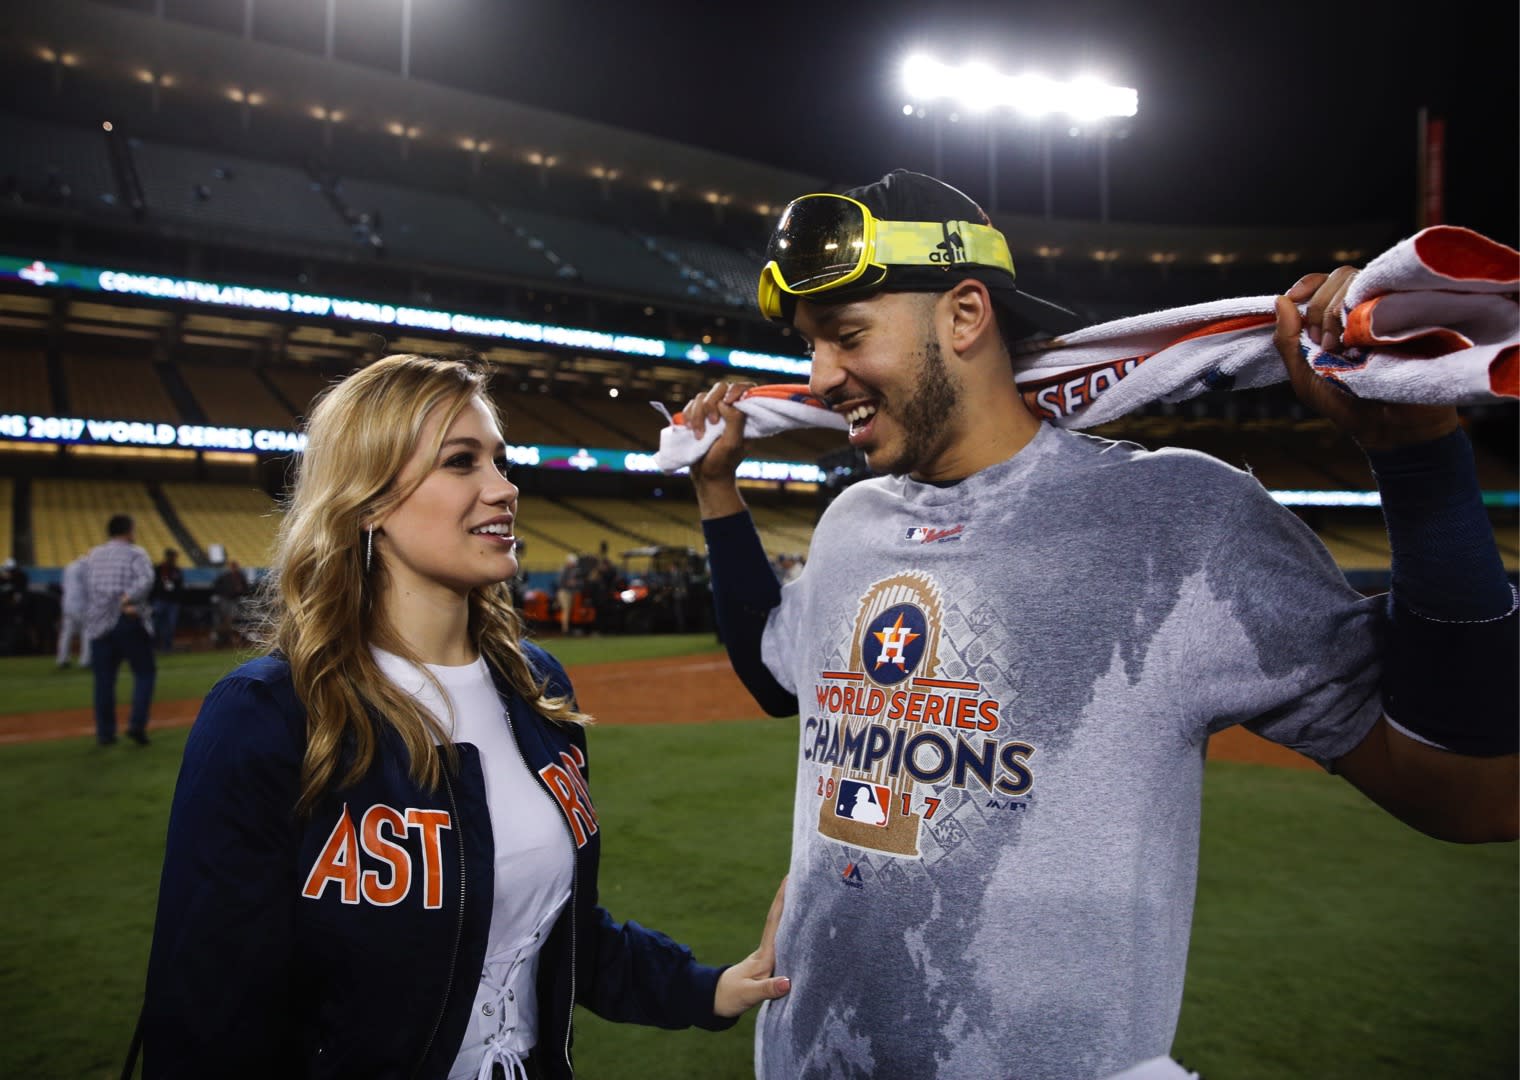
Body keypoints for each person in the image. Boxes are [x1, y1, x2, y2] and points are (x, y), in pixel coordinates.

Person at [680, 170, 1518, 1080]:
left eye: (845, 336)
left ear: (966, 316)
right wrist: (714, 491)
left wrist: (1421, 464)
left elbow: (1476, 794)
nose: (818, 378)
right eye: (809, 346)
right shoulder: (852, 521)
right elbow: (773, 678)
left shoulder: (1180, 519)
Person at [141, 353, 788, 1079]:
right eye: (461, 462)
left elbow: (560, 932)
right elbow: (205, 1018)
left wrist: (711, 988)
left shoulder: (536, 687)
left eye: (500, 462)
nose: (504, 488)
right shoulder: (271, 716)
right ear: (370, 501)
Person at [80, 514, 155, 746]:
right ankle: (136, 725)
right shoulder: (136, 553)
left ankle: (105, 733)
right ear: (129, 530)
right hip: (127, 619)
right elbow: (146, 580)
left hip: (99, 624)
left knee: (103, 680)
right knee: (144, 673)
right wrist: (127, 599)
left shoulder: (94, 555)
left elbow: (86, 587)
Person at [56, 553, 91, 668]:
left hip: (67, 604)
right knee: (87, 632)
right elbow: (88, 586)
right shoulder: (86, 568)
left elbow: (64, 585)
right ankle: (85, 660)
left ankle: (62, 659)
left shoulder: (70, 566)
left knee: (67, 633)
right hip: (82, 604)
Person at [149, 548, 184, 652]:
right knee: (155, 624)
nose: (174, 559)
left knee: (170, 625)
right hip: (160, 600)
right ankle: (153, 646)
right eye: (172, 556)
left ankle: (167, 647)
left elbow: (179, 586)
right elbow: (153, 584)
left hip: (173, 602)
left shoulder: (177, 570)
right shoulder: (159, 569)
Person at [210, 558, 247, 647]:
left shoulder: (240, 576)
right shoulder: (225, 576)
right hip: (226, 599)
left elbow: (245, 588)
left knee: (232, 619)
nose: (234, 568)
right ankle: (225, 637)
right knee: (226, 618)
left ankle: (230, 637)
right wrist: (224, 593)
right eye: (233, 566)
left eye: (235, 566)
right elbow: (216, 586)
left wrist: (240, 590)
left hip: (235, 600)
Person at [555, 552, 583, 635]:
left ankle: (566, 628)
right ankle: (565, 629)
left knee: (568, 610)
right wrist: (569, 583)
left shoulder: (574, 571)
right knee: (566, 610)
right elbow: (560, 582)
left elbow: (580, 582)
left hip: (569, 592)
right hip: (563, 592)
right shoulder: (564, 570)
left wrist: (575, 583)